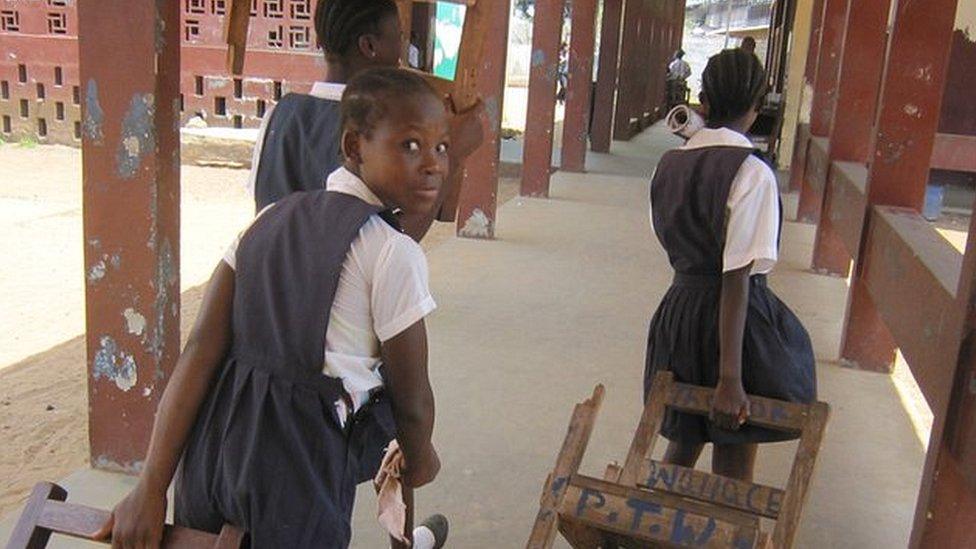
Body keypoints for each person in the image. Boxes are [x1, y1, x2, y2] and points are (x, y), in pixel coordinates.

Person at [94, 68, 451, 548]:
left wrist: (151, 486)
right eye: (410, 145)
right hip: (297, 469)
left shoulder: (267, 219)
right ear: (354, 147)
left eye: (441, 147)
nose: (432, 164)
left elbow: (200, 352)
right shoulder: (392, 252)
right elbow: (413, 399)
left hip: (213, 452)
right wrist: (421, 458)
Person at [644, 49, 816, 482]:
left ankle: (654, 516)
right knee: (734, 447)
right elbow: (736, 277)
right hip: (732, 324)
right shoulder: (752, 172)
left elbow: (669, 237)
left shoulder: (668, 165)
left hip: (679, 315)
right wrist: (730, 379)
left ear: (703, 99)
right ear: (758, 106)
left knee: (685, 436)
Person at [251, 0, 483, 242]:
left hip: (271, 265)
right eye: (398, 37)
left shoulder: (277, 115)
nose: (401, 50)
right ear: (370, 46)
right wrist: (453, 154)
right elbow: (384, 241)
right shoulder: (378, 128)